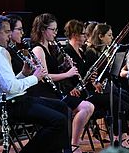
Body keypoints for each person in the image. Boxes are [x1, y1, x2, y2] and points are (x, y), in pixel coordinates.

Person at [0, 14, 71, 153]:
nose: (9, 36)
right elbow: (10, 88)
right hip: (8, 106)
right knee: (58, 121)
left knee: (61, 106)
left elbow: (9, 84)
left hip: (14, 100)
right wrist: (35, 78)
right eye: (7, 32)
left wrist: (24, 73)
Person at [29, 13, 94, 153]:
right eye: (52, 30)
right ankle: (71, 146)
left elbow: (54, 70)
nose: (55, 33)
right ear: (42, 30)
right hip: (44, 93)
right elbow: (44, 77)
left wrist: (66, 66)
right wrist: (67, 74)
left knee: (88, 107)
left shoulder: (49, 48)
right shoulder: (38, 49)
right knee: (85, 107)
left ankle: (72, 145)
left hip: (55, 90)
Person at [84, 23, 129, 150]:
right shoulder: (91, 53)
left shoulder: (104, 52)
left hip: (105, 88)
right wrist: (95, 82)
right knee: (118, 104)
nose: (112, 38)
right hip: (93, 92)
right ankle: (122, 137)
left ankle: (122, 135)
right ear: (101, 37)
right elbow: (91, 75)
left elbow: (110, 73)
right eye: (109, 35)